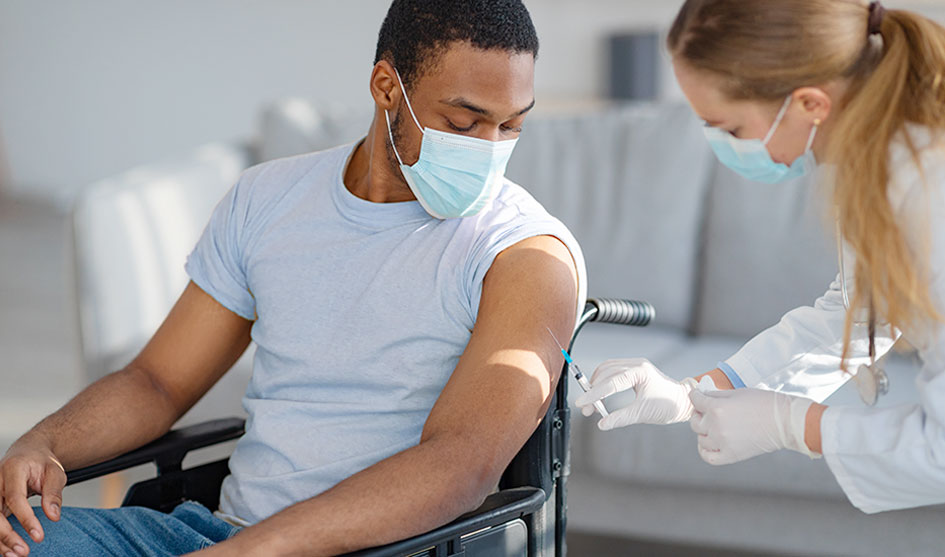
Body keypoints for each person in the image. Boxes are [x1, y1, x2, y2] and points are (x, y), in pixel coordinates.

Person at [0, 1, 587, 555]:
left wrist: (257, 549)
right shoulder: (267, 198)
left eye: (511, 126)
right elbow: (156, 382)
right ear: (387, 87)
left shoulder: (527, 255)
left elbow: (461, 465)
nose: (489, 150)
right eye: (464, 121)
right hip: (216, 534)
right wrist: (45, 442)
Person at [577, 0, 945, 515]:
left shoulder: (943, 179)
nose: (723, 147)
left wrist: (794, 424)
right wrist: (695, 392)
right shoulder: (877, 154)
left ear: (810, 104)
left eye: (729, 129)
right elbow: (857, 313)